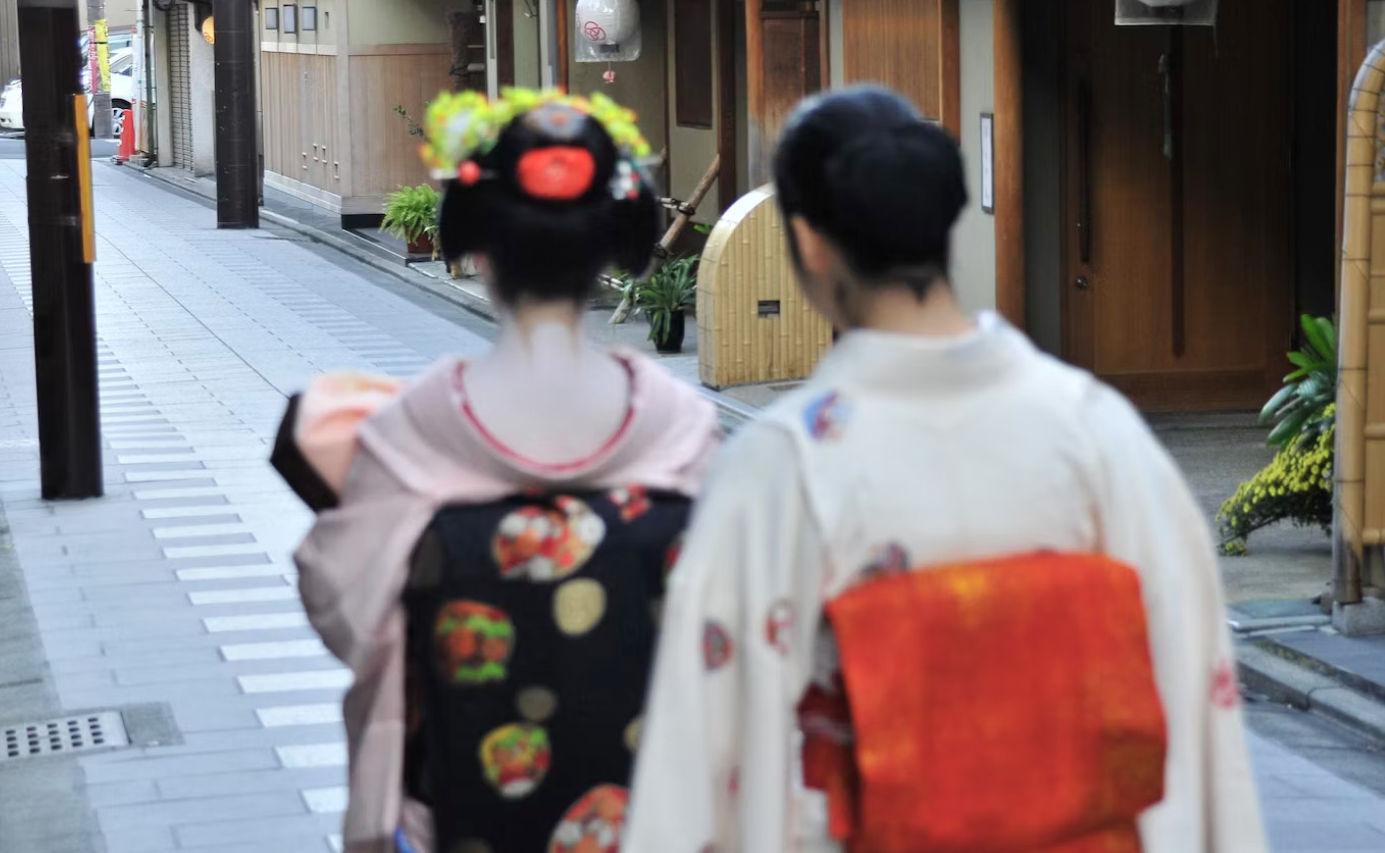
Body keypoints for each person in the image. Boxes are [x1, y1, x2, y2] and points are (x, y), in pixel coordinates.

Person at [623, 87, 1266, 853]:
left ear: (811, 242)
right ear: (945, 222)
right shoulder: (1095, 429)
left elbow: (707, 746)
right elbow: (1189, 678)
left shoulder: (784, 464)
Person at [271, 89, 720, 853]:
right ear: (614, 248)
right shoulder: (681, 429)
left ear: (479, 246)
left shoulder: (410, 428)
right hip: (654, 813)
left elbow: (342, 604)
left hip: (460, 811)